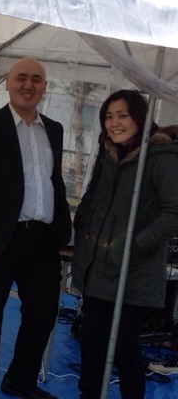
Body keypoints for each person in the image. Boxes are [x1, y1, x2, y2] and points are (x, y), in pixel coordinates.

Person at [0, 57, 72, 399]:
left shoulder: (54, 129)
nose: (28, 85)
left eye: (36, 79)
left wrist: (63, 231)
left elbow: (52, 181)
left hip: (42, 239)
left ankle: (19, 380)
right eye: (21, 77)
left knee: (43, 314)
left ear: (44, 87)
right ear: (7, 84)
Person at [71, 89, 178, 399]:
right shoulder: (107, 152)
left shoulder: (161, 158)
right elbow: (92, 196)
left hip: (134, 272)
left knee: (124, 347)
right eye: (108, 116)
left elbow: (174, 212)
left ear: (139, 118)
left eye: (122, 115)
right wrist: (83, 228)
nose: (114, 123)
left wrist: (135, 244)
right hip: (99, 266)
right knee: (91, 339)